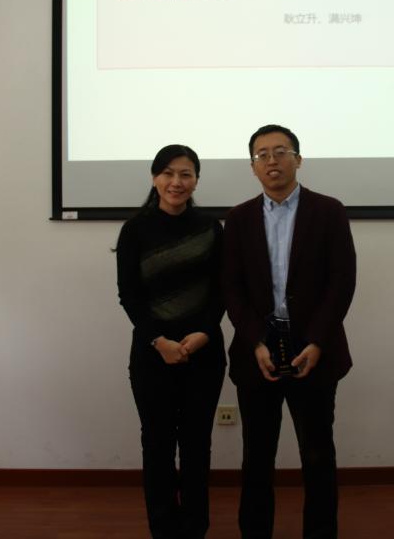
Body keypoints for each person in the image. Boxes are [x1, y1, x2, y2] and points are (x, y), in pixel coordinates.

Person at [223, 124, 357, 539]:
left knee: (317, 454)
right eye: (261, 155)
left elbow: (342, 282)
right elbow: (232, 288)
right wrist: (254, 341)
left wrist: (317, 341)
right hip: (257, 349)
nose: (272, 161)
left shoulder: (329, 211)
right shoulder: (239, 218)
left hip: (314, 348)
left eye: (280, 151)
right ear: (252, 167)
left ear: (298, 159)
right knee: (257, 456)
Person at [116, 144, 226, 539]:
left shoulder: (211, 228)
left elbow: (221, 290)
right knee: (157, 446)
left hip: (205, 354)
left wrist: (203, 334)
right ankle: (163, 530)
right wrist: (160, 341)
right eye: (167, 173)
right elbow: (129, 295)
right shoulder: (135, 230)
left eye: (185, 174)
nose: (176, 182)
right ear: (154, 178)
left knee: (197, 446)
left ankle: (195, 529)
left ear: (196, 180)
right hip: (152, 355)